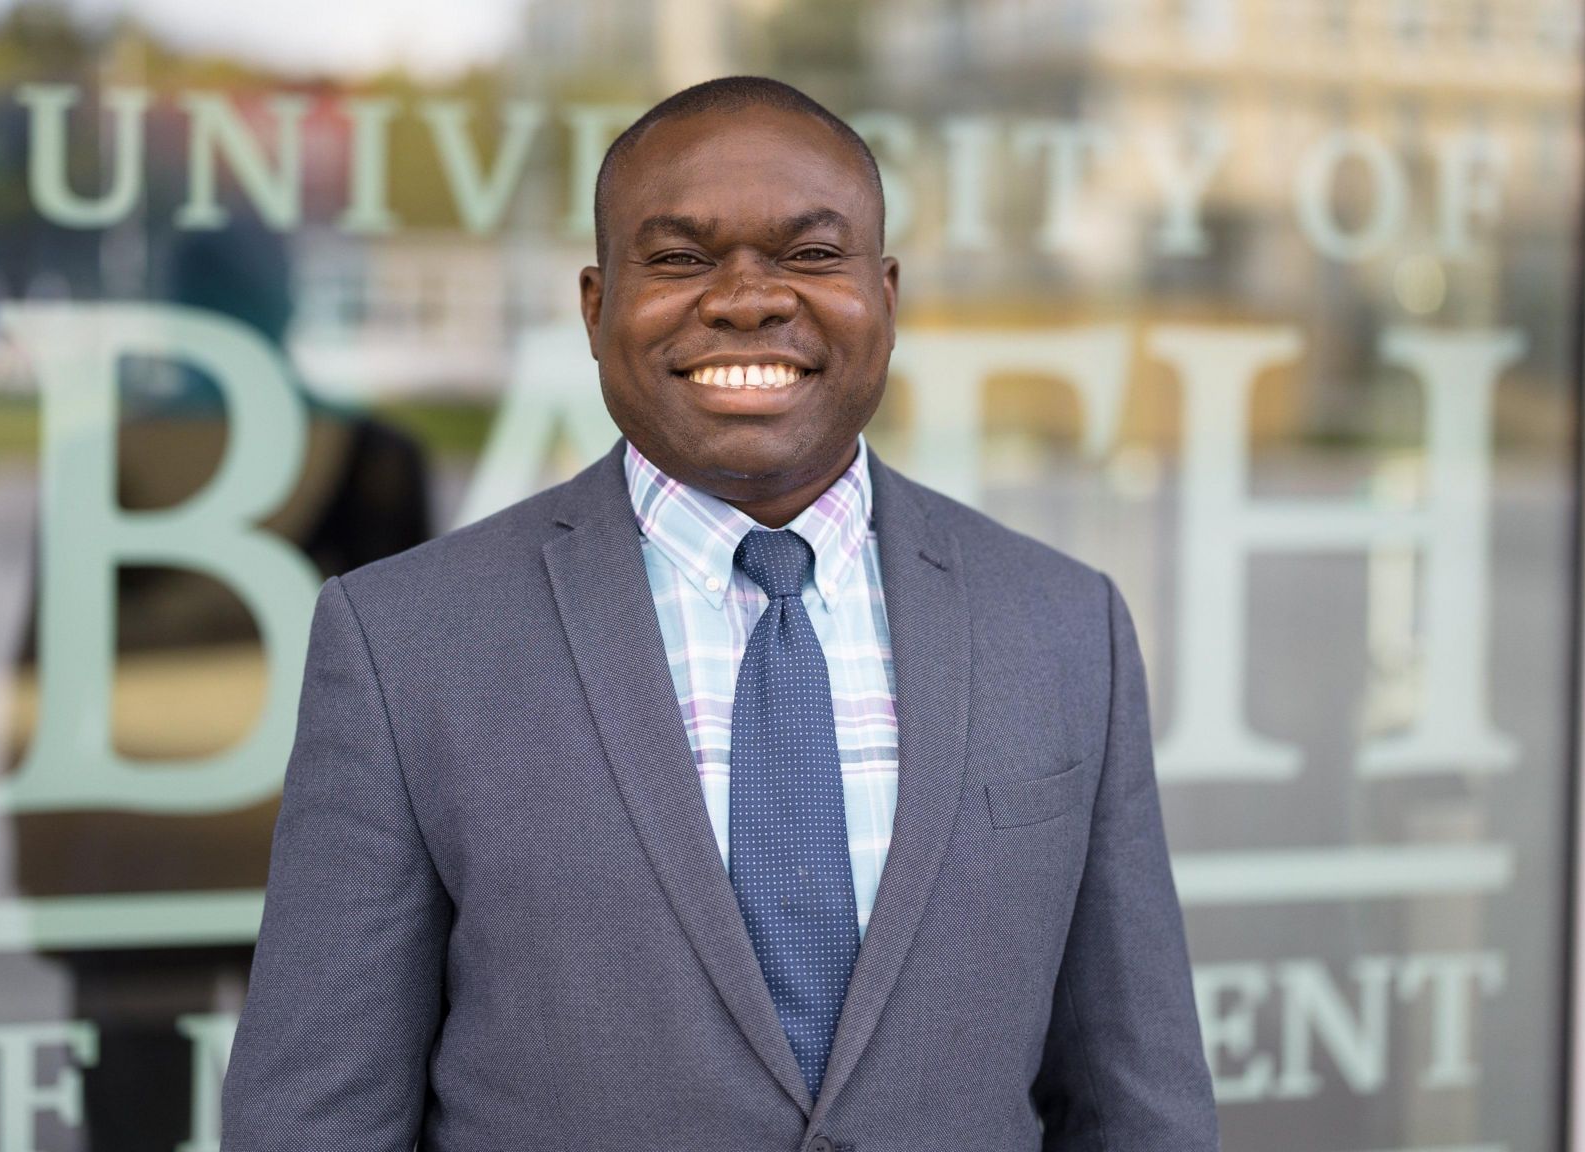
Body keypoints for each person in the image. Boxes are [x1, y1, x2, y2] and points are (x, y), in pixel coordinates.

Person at [221, 75, 1218, 1150]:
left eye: (809, 253)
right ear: (595, 307)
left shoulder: (1065, 627)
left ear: (885, 295)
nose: (747, 298)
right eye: (682, 258)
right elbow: (311, 1123)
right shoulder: (403, 646)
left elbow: (1139, 1106)